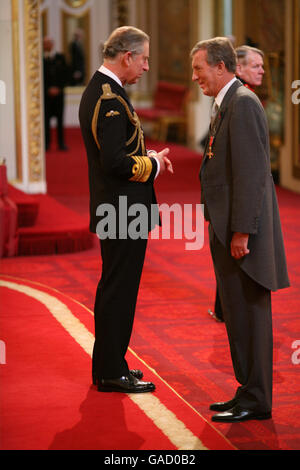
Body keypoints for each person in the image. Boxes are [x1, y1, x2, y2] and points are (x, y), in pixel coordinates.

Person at [191, 37, 289, 422]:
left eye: (199, 68)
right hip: (228, 227)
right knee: (236, 315)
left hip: (242, 234)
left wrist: (242, 232)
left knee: (249, 314)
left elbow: (251, 176)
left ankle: (257, 399)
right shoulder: (227, 102)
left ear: (220, 66)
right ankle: (246, 389)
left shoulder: (243, 103)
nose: (195, 76)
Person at [79, 26, 173, 393]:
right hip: (121, 210)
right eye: (145, 58)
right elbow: (116, 163)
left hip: (119, 208)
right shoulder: (110, 99)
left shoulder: (108, 92)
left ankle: (111, 363)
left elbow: (120, 153)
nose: (147, 67)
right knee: (119, 289)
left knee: (116, 287)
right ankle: (110, 372)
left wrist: (147, 156)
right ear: (127, 56)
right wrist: (152, 166)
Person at [209, 44, 265, 323]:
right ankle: (223, 306)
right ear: (238, 68)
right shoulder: (239, 99)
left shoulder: (243, 100)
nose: (262, 71)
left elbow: (250, 169)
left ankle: (224, 307)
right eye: (256, 66)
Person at [43, 37, 69, 151]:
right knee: (45, 121)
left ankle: (61, 143)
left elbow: (65, 75)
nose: (47, 45)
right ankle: (46, 144)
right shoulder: (40, 59)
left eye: (49, 43)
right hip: (46, 96)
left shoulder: (61, 58)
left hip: (59, 95)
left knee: (60, 120)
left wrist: (58, 88)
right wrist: (48, 89)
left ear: (53, 45)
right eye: (45, 44)